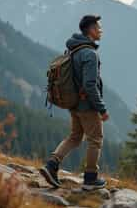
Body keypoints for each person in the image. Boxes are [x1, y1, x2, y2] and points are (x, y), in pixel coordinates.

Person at [40, 15, 109, 190]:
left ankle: (52, 164)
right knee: (95, 140)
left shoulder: (74, 49)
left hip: (74, 104)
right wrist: (101, 109)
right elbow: (89, 84)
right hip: (87, 106)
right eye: (98, 28)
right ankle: (91, 178)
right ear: (91, 30)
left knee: (75, 137)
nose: (101, 30)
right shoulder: (90, 54)